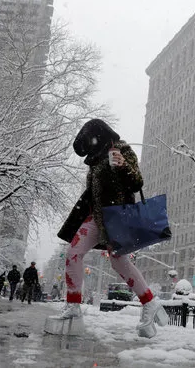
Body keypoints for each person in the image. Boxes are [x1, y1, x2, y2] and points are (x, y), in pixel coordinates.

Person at [57, 119, 168, 338]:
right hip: (95, 218)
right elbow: (92, 193)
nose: (90, 147)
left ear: (100, 134)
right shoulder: (95, 161)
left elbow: (137, 182)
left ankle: (149, 302)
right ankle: (73, 305)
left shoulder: (122, 149)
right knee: (73, 253)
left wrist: (123, 166)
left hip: (117, 217)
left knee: (120, 262)